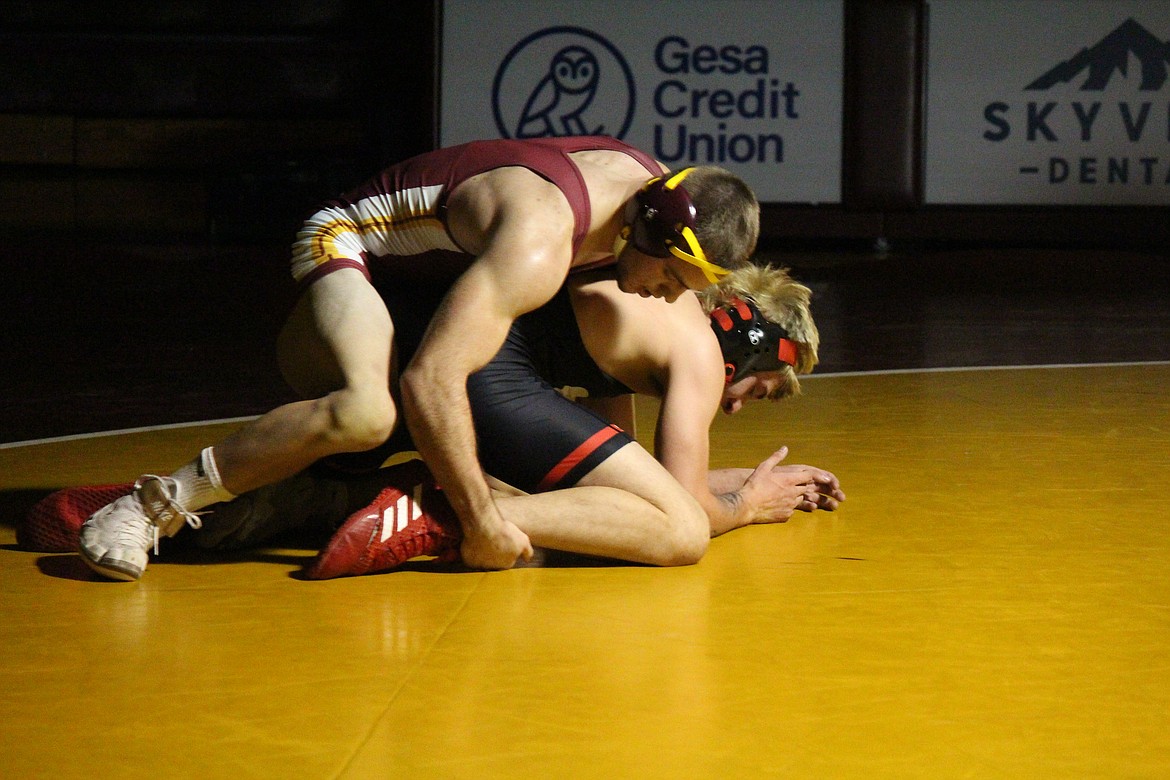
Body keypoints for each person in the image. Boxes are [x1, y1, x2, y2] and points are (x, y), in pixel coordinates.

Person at [76, 136, 761, 581]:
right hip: (351, 250)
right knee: (366, 413)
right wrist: (482, 521)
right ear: (645, 232)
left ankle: (310, 495)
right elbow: (431, 377)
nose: (667, 300)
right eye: (670, 281)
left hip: (425, 288)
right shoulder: (540, 241)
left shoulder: (644, 188)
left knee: (668, 524)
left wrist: (621, 470)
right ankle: (153, 504)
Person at [31, 264, 842, 575]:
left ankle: (128, 512)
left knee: (623, 511)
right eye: (760, 389)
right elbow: (682, 511)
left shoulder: (639, 320)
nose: (736, 404)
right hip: (481, 378)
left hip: (422, 344)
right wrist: (747, 505)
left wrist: (716, 483)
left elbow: (625, 472)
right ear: (751, 338)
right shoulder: (700, 347)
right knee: (681, 538)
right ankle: (447, 513)